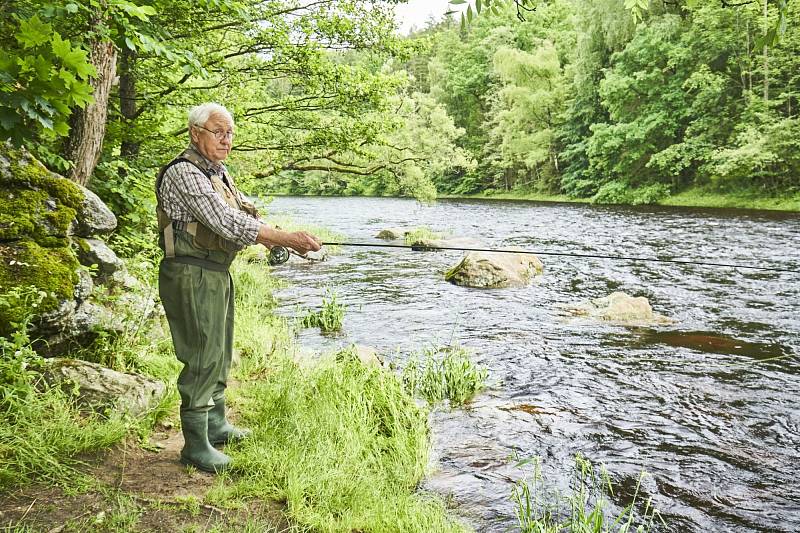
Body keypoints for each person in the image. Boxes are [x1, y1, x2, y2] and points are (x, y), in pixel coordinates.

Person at [156, 102, 321, 473]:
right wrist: (283, 237)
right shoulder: (183, 173)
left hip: (215, 271)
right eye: (219, 132)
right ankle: (195, 445)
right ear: (196, 133)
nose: (226, 140)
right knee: (201, 355)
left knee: (220, 350)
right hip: (189, 273)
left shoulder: (218, 172)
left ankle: (216, 425)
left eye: (230, 133)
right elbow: (223, 221)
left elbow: (243, 213)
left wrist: (279, 239)